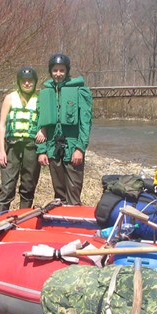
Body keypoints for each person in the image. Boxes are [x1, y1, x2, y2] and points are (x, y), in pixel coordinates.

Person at [36, 53, 93, 205]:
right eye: (55, 70)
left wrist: (80, 148)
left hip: (72, 147)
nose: (58, 74)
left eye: (62, 70)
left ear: (67, 71)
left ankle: (74, 221)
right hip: (53, 147)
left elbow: (85, 122)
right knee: (59, 191)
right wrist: (41, 150)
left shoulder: (80, 91)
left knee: (73, 191)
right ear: (50, 71)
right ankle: (60, 221)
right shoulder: (46, 92)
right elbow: (39, 122)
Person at [0, 67, 44, 214]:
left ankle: (23, 218)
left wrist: (43, 131)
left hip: (31, 146)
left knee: (28, 185)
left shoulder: (40, 98)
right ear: (19, 82)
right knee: (7, 186)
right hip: (12, 146)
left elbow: (45, 122)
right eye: (24, 81)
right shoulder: (10, 98)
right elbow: (2, 125)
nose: (27, 84)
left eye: (30, 81)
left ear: (35, 82)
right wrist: (1, 151)